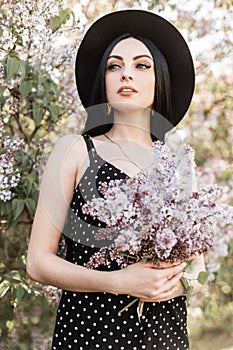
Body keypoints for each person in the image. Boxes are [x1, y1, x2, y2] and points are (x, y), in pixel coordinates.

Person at [27, 9, 205, 350]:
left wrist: (173, 284)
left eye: (141, 65)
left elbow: (198, 271)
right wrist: (118, 282)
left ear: (160, 79)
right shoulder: (74, 151)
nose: (126, 74)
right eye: (114, 66)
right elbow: (38, 262)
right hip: (90, 333)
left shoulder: (180, 165)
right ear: (104, 79)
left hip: (164, 336)